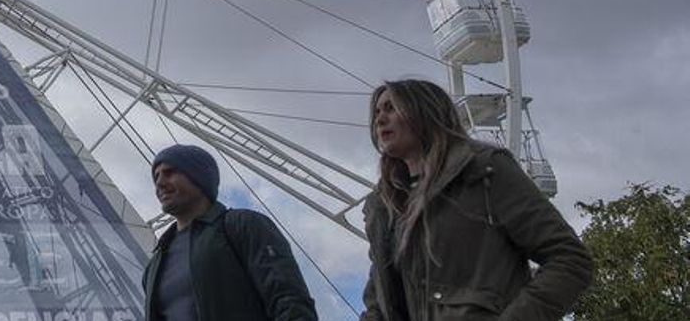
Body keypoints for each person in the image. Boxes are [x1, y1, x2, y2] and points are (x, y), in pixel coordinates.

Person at [360, 79, 592, 320]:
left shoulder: (484, 171)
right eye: (377, 112)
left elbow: (570, 259)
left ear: (424, 111)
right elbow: (380, 301)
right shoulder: (385, 207)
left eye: (391, 108)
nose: (379, 120)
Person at [142, 143, 317, 321]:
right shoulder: (154, 265)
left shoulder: (243, 226)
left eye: (170, 172)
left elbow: (288, 300)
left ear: (199, 178)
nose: (160, 183)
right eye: (156, 177)